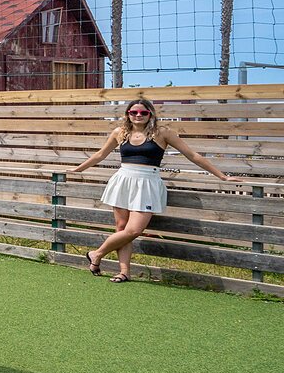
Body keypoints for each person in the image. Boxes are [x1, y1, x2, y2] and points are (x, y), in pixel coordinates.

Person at [69, 98, 241, 282]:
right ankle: (124, 272)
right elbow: (100, 155)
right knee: (121, 228)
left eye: (143, 112)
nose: (138, 116)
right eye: (133, 112)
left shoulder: (162, 133)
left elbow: (192, 155)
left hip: (148, 183)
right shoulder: (120, 132)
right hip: (123, 180)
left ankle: (97, 254)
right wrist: (77, 169)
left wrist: (222, 176)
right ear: (127, 114)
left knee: (133, 230)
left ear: (151, 114)